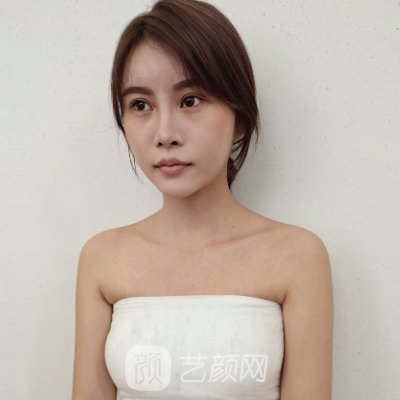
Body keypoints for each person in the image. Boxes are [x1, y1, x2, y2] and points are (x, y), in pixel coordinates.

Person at [71, 0, 333, 399]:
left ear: (239, 117)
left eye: (190, 100)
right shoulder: (102, 258)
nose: (165, 134)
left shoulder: (297, 257)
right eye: (140, 105)